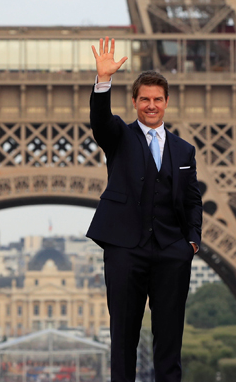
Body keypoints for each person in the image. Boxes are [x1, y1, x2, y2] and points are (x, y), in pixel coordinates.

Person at [86, 37, 203, 382]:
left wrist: (191, 242)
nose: (151, 105)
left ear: (166, 103)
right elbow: (100, 120)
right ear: (134, 102)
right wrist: (103, 81)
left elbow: (193, 199)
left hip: (171, 251)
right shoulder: (119, 137)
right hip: (125, 250)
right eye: (144, 100)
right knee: (123, 338)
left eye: (157, 100)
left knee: (170, 341)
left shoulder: (184, 151)